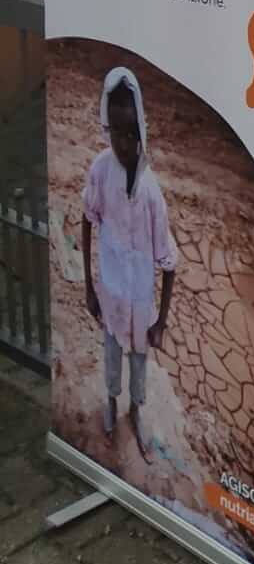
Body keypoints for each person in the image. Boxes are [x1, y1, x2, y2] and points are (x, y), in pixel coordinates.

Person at [81, 68, 176, 452]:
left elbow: (169, 264)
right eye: (116, 131)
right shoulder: (101, 170)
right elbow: (87, 219)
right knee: (111, 354)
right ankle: (110, 402)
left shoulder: (151, 193)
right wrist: (89, 288)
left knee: (138, 360)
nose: (122, 142)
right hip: (110, 292)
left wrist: (161, 322)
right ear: (107, 126)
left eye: (130, 133)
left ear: (141, 132)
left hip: (140, 301)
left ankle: (135, 411)